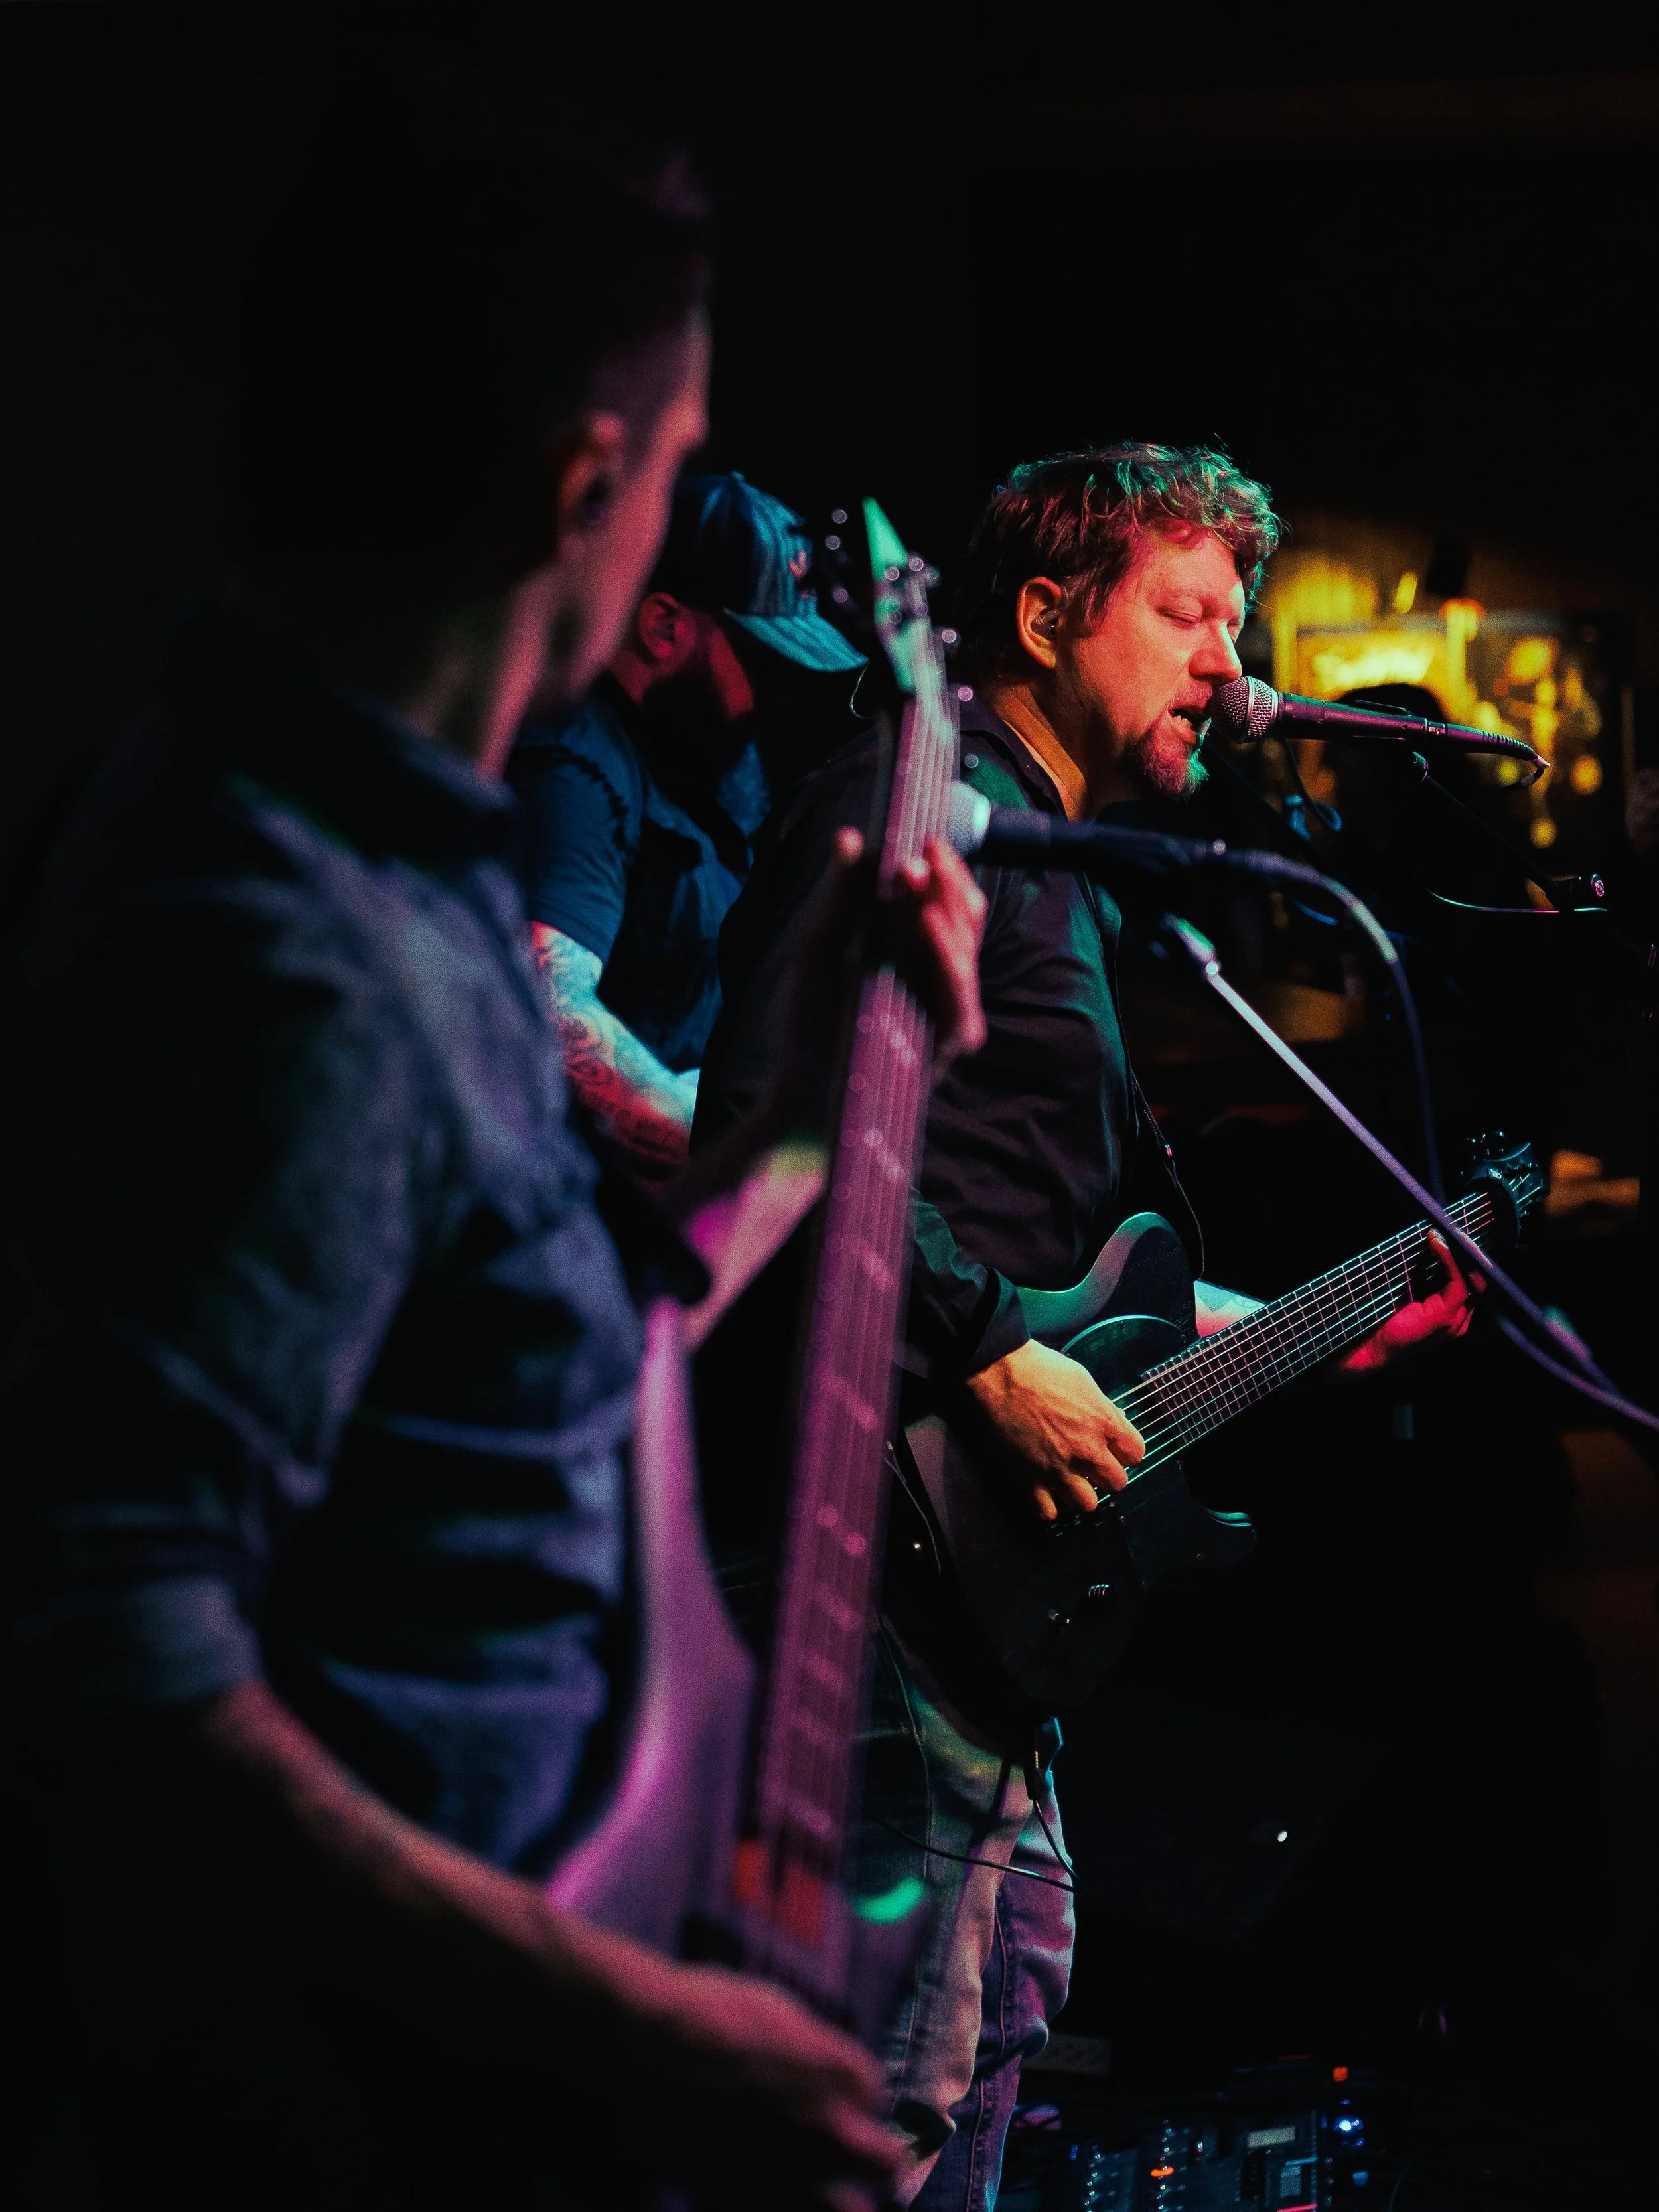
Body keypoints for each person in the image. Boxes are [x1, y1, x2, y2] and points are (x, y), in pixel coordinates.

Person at [0, 96, 986, 2212]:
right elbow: (102, 1668)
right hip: (349, 2114)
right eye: (678, 457)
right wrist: (618, 2018)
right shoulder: (283, 941)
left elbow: (589, 1348)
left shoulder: (404, 857)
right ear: (576, 484)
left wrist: (824, 1036)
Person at [693, 443, 1479, 2211]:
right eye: (1187, 611)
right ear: (1046, 612)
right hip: (871, 1577)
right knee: (864, 2119)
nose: (1228, 659)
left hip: (982, 1612)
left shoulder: (1063, 863)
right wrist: (977, 1353)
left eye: (1237, 620)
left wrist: (1309, 1326)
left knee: (976, 2075)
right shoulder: (911, 794)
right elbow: (766, 1110)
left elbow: (1062, 1258)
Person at [508, 472, 865, 1172]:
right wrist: (743, 1152)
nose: (777, 693)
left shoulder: (722, 763)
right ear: (664, 626)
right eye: (760, 662)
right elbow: (546, 1011)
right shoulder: (576, 767)